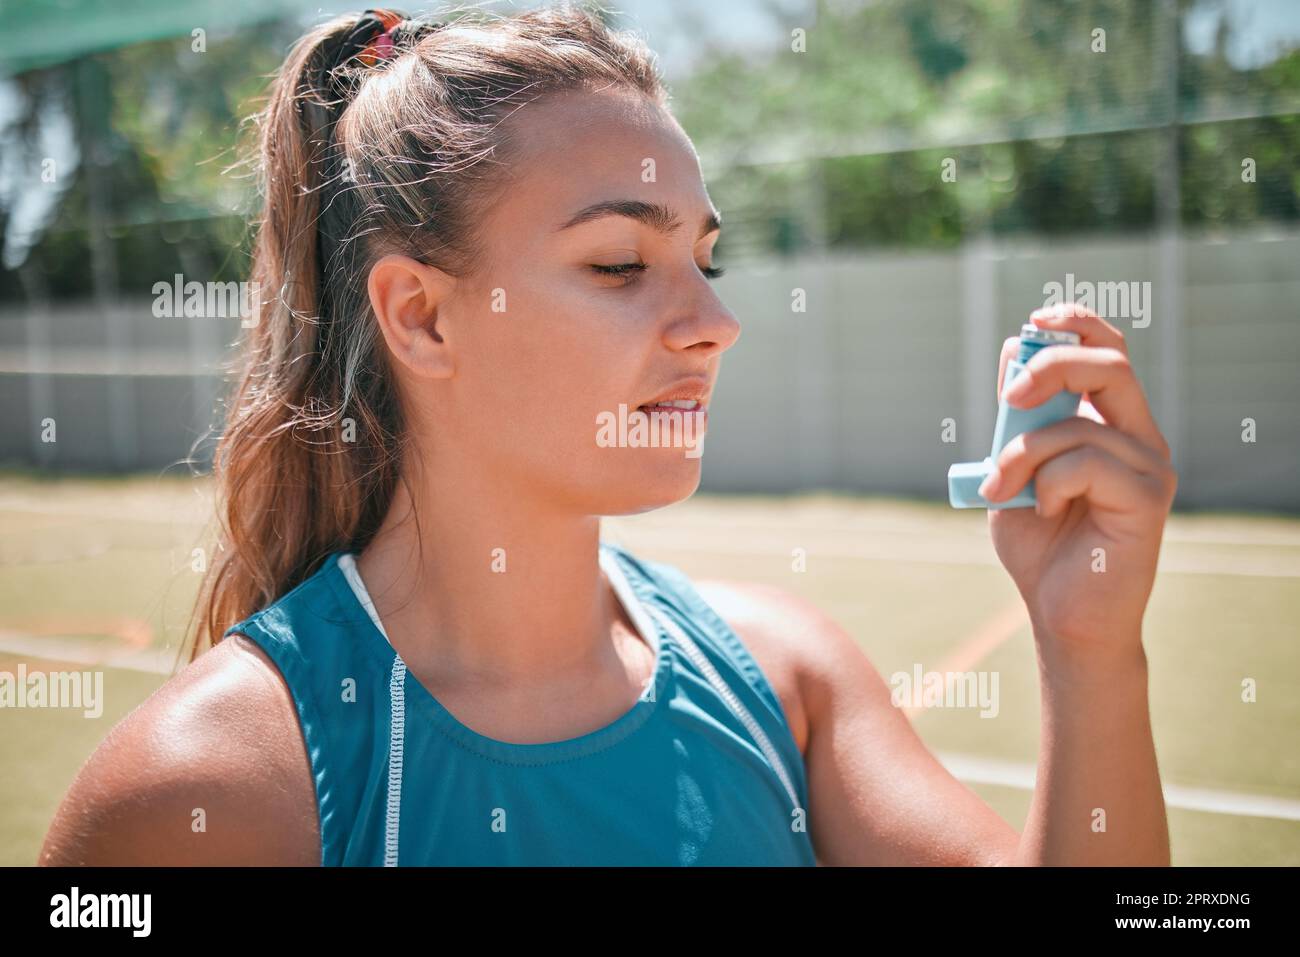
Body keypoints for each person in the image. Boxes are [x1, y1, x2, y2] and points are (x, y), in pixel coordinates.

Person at [39, 5, 1176, 866]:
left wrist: (1090, 652)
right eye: (622, 264)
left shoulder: (787, 679)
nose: (717, 324)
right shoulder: (208, 787)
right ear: (422, 316)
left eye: (706, 260)